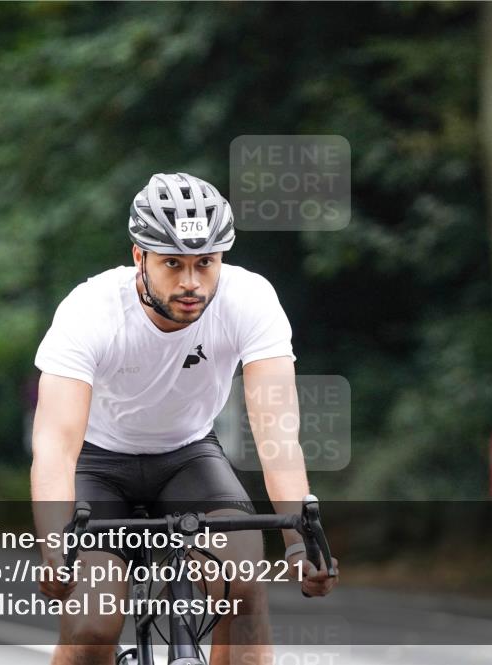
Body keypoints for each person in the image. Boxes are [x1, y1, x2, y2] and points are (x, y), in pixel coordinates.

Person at [30, 172, 339, 665]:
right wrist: (54, 547)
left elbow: (277, 435)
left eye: (205, 263)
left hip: (187, 457)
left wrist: (300, 545)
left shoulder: (250, 300)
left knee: (243, 586)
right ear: (139, 256)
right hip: (97, 465)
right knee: (91, 627)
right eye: (172, 263)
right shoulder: (90, 310)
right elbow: (54, 447)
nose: (191, 282)